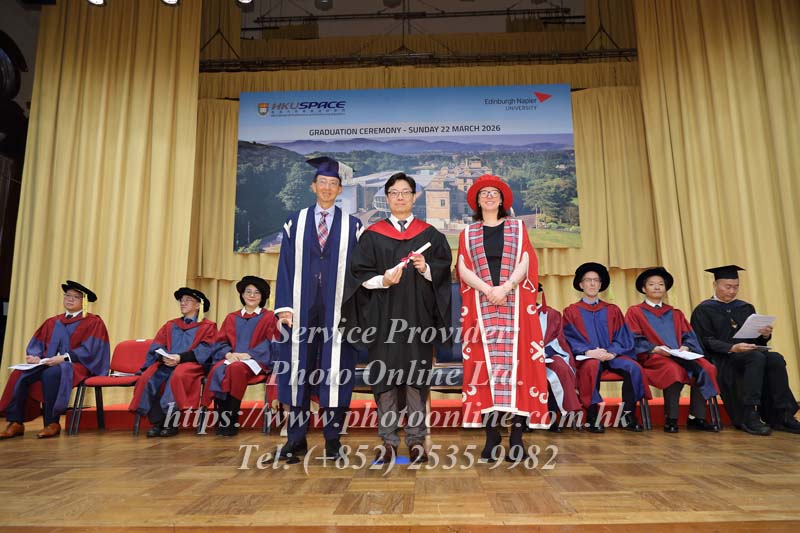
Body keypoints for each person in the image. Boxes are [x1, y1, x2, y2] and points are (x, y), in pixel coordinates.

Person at [344, 172, 451, 464]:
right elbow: (358, 275)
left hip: (418, 320)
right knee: (386, 378)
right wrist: (383, 280)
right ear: (387, 197)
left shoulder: (430, 235)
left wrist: (426, 267)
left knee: (416, 379)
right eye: (394, 192)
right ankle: (388, 441)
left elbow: (443, 272)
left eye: (405, 192)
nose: (400, 197)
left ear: (415, 197)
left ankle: (416, 441)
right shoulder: (373, 235)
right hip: (383, 319)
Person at [274, 157, 363, 461]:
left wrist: (353, 312)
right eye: (322, 183)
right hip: (300, 308)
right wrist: (284, 307)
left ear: (340, 190)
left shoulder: (353, 226)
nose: (327, 188)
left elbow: (358, 272)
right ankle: (295, 438)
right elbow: (285, 266)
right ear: (313, 186)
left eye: (333, 184)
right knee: (297, 370)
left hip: (337, 310)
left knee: (335, 372)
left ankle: (333, 439)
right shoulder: (294, 222)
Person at [456, 174, 548, 461]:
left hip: (515, 305)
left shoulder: (518, 228)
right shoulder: (468, 233)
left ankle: (517, 438)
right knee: (484, 370)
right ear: (476, 200)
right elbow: (463, 268)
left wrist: (506, 288)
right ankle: (492, 436)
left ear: (502, 199)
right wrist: (488, 290)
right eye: (483, 193)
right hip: (481, 307)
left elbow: (526, 261)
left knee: (520, 370)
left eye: (494, 193)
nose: (489, 196)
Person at [690, 265, 800, 435]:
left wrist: (764, 335)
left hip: (749, 354)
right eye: (728, 287)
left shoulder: (745, 307)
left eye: (736, 287)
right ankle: (749, 413)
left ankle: (782, 414)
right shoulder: (703, 310)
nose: (732, 291)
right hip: (723, 359)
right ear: (715, 285)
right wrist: (732, 348)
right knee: (756, 358)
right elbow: (705, 340)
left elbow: (754, 339)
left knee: (776, 358)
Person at [0, 280, 110, 439]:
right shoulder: (52, 322)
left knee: (51, 374)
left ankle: (52, 423)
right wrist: (35, 356)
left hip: (77, 364)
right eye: (67, 295)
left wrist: (64, 358)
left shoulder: (93, 322)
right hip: (48, 362)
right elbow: (37, 345)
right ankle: (16, 422)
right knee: (19, 373)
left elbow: (92, 349)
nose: (70, 299)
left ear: (84, 302)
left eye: (75, 297)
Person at [625, 267, 719, 433]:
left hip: (679, 354)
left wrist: (686, 346)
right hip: (653, 356)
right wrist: (654, 348)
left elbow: (688, 335)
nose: (657, 287)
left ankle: (696, 417)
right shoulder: (635, 312)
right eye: (652, 284)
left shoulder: (675, 313)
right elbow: (633, 338)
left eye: (661, 284)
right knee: (673, 370)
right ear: (643, 289)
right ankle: (671, 418)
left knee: (707, 368)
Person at [562, 262, 648, 432]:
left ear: (601, 285)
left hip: (612, 355)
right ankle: (592, 416)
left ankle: (628, 415)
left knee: (633, 367)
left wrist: (612, 352)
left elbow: (622, 336)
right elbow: (569, 337)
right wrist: (588, 351)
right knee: (591, 367)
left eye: (596, 280)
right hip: (588, 357)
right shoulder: (571, 311)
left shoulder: (612, 310)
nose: (592, 283)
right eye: (588, 280)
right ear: (581, 285)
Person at [129, 287, 217, 437]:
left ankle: (171, 423)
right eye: (181, 300)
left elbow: (206, 349)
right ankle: (158, 422)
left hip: (191, 364)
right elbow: (157, 345)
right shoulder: (171, 325)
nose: (183, 303)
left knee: (177, 375)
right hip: (167, 363)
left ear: (198, 305)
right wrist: (163, 357)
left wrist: (180, 358)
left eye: (188, 300)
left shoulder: (208, 326)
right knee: (147, 377)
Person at [203, 276, 278, 436]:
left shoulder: (269, 317)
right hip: (231, 359)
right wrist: (228, 354)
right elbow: (221, 341)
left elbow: (271, 342)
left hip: (256, 361)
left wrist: (249, 354)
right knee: (217, 370)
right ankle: (222, 419)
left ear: (262, 297)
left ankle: (231, 419)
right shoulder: (232, 317)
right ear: (242, 295)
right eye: (248, 292)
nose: (252, 295)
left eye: (256, 293)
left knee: (235, 369)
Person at [536, 283, 582, 432]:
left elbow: (558, 340)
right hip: (520, 359)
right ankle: (524, 419)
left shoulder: (551, 314)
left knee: (560, 368)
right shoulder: (513, 313)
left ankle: (552, 416)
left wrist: (541, 353)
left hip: (547, 355)